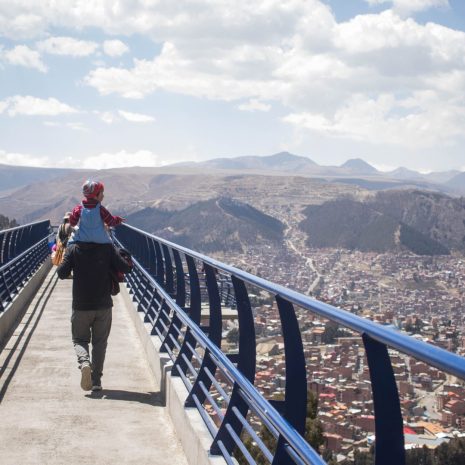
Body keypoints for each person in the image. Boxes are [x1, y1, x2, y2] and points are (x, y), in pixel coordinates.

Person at [57, 241, 132, 391]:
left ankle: (84, 362)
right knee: (100, 343)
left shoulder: (73, 249)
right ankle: (96, 380)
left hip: (81, 305)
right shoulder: (108, 248)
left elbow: (61, 273)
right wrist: (122, 252)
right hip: (103, 305)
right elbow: (126, 267)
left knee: (79, 339)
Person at [68, 180, 124, 244]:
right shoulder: (101, 209)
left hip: (83, 239)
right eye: (101, 193)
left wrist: (71, 217)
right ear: (95, 196)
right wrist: (118, 219)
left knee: (69, 245)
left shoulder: (78, 209)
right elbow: (111, 222)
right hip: (101, 240)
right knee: (113, 249)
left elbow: (73, 223)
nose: (103, 196)